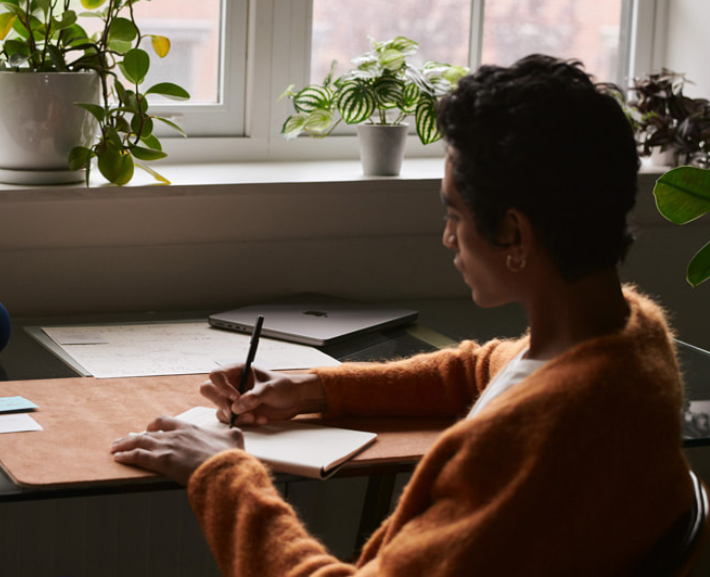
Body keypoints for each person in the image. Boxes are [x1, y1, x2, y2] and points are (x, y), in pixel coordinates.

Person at [110, 55, 694, 575]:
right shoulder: (627, 338)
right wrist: (310, 388)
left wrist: (223, 475)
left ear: (514, 232)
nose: (447, 238)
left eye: (454, 215)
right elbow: (480, 371)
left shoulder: (534, 444)